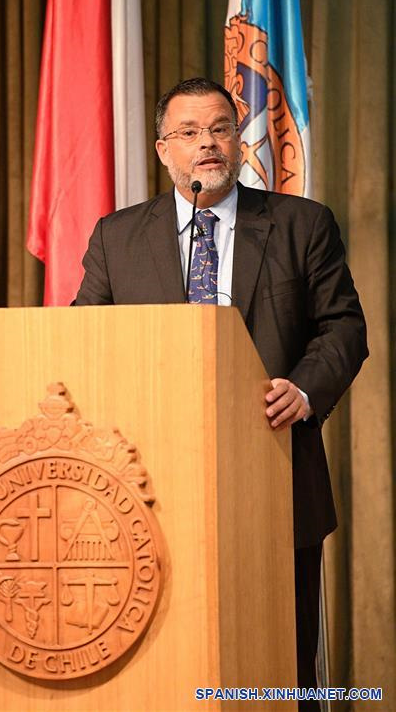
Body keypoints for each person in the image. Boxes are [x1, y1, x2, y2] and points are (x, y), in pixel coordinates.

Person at [74, 76, 368, 709]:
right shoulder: (117, 238)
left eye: (218, 129)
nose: (206, 144)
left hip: (274, 473)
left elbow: (344, 326)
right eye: (188, 133)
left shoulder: (300, 225)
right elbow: (84, 341)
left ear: (238, 140)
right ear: (162, 150)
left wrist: (305, 390)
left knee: (279, 673)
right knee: (164, 672)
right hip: (148, 489)